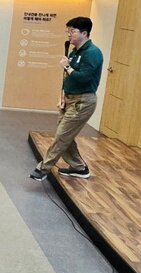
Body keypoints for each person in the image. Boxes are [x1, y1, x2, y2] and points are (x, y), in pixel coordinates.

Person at [31, 16, 104, 181]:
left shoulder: (93, 53)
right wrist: (62, 95)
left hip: (83, 102)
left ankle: (43, 168)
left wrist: (67, 66)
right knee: (64, 135)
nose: (69, 34)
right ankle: (79, 168)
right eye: (68, 31)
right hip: (69, 100)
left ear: (84, 33)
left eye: (73, 31)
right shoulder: (75, 52)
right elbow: (68, 78)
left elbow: (83, 77)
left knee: (62, 135)